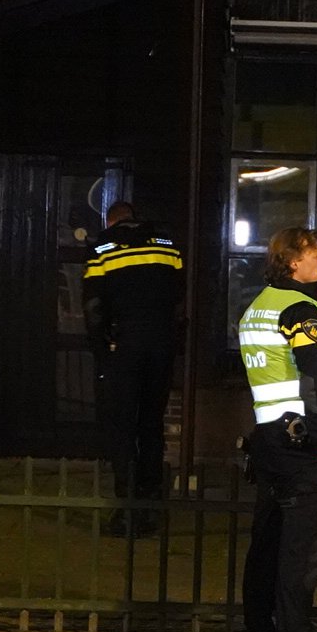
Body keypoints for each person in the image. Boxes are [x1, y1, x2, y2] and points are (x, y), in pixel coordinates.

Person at [236, 227, 317, 632]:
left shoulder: (259, 306)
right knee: (301, 554)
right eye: (316, 255)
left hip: (269, 439)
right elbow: (314, 378)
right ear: (293, 262)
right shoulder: (301, 311)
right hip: (302, 443)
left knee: (266, 546)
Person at [83, 200, 184, 534]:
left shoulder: (103, 248)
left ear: (110, 221)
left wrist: (101, 353)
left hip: (125, 345)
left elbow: (94, 307)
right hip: (162, 343)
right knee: (152, 423)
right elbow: (179, 295)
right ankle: (152, 505)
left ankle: (127, 510)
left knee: (122, 425)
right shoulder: (167, 243)